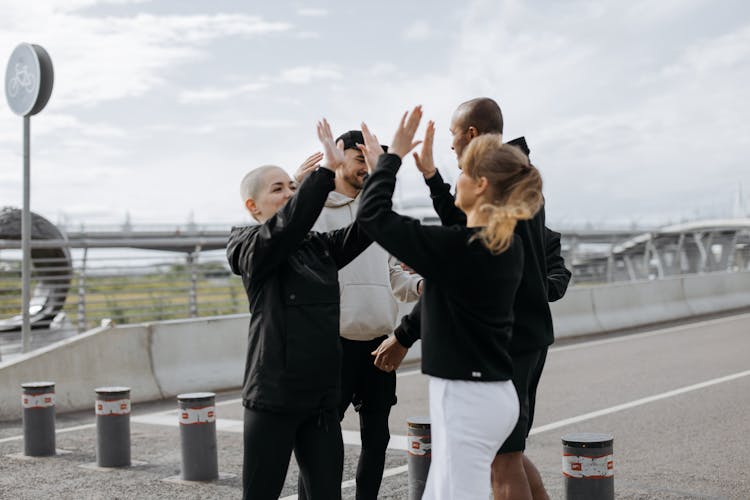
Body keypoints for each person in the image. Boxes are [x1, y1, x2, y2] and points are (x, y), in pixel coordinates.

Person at [372, 98, 571, 500]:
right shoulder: (515, 186)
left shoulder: (506, 195)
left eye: (452, 137)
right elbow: (463, 236)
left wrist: (392, 159)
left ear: (473, 136)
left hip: (499, 354)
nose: (449, 147)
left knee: (503, 464)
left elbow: (453, 246)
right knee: (505, 455)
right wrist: (431, 177)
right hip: (514, 346)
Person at [226, 119, 372, 500]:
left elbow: (372, 223)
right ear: (252, 206)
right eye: (279, 188)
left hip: (321, 398)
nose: (290, 193)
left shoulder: (319, 247)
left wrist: (378, 172)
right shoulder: (246, 245)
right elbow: (284, 230)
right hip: (273, 397)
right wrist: (323, 172)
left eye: (293, 186)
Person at [295, 130, 422, 500]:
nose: (368, 168)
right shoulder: (314, 211)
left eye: (373, 161)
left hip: (380, 343)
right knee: (319, 445)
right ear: (338, 160)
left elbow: (391, 274)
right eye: (360, 159)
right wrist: (298, 189)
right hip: (331, 345)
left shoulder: (378, 214)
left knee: (377, 440)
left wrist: (418, 288)